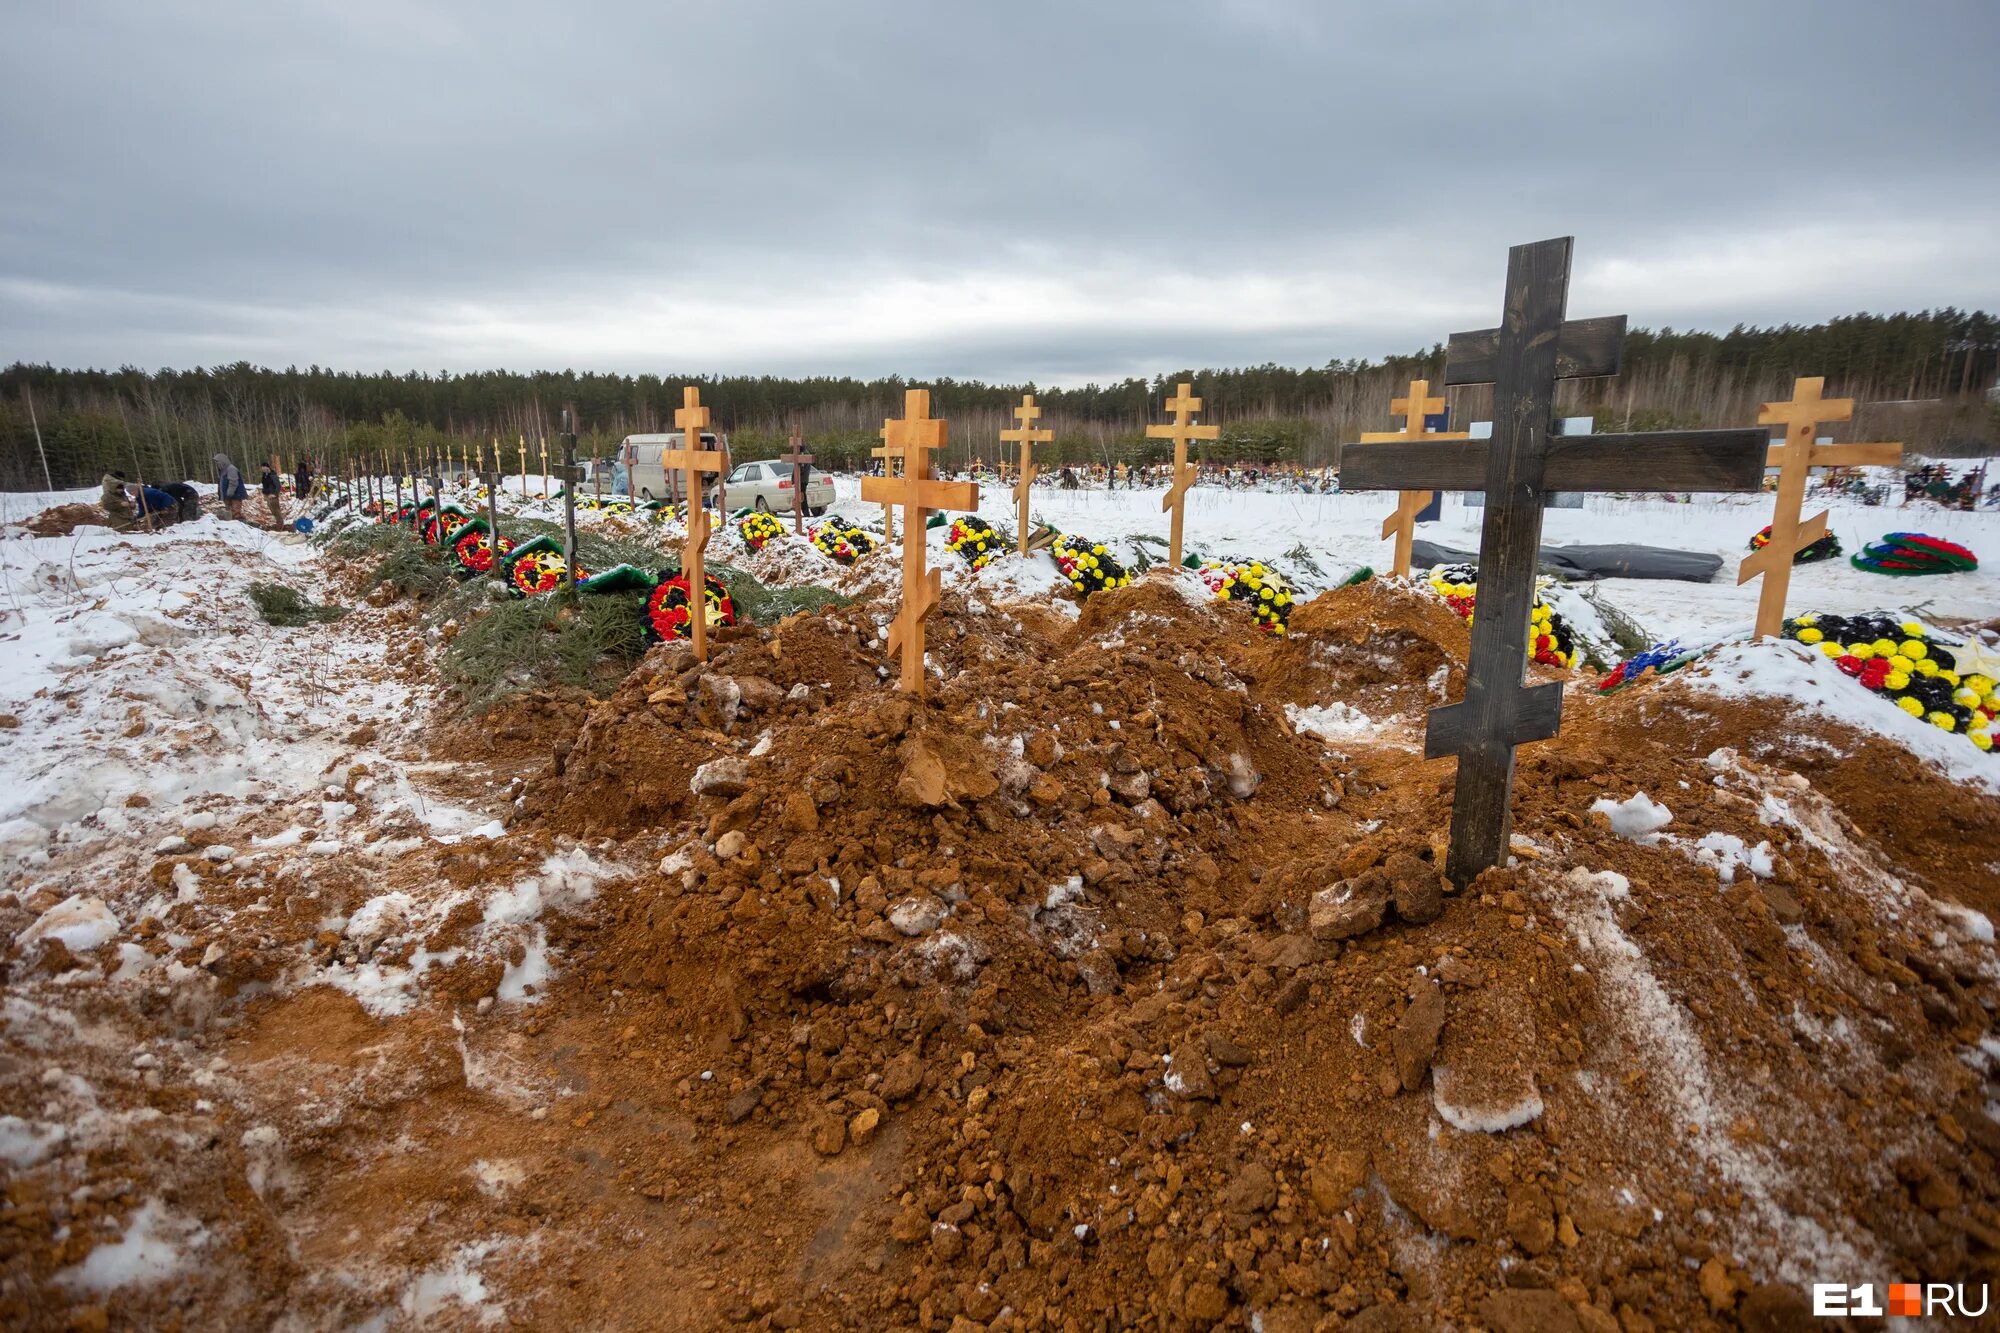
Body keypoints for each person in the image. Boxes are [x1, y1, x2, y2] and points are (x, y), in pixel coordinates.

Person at [213, 454, 248, 520]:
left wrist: (229, 493)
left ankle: (239, 525)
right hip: (228, 496)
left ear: (223, 461)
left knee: (236, 513)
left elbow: (233, 482)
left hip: (235, 495)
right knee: (230, 512)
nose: (217, 464)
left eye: (218, 462)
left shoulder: (231, 469)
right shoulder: (223, 471)